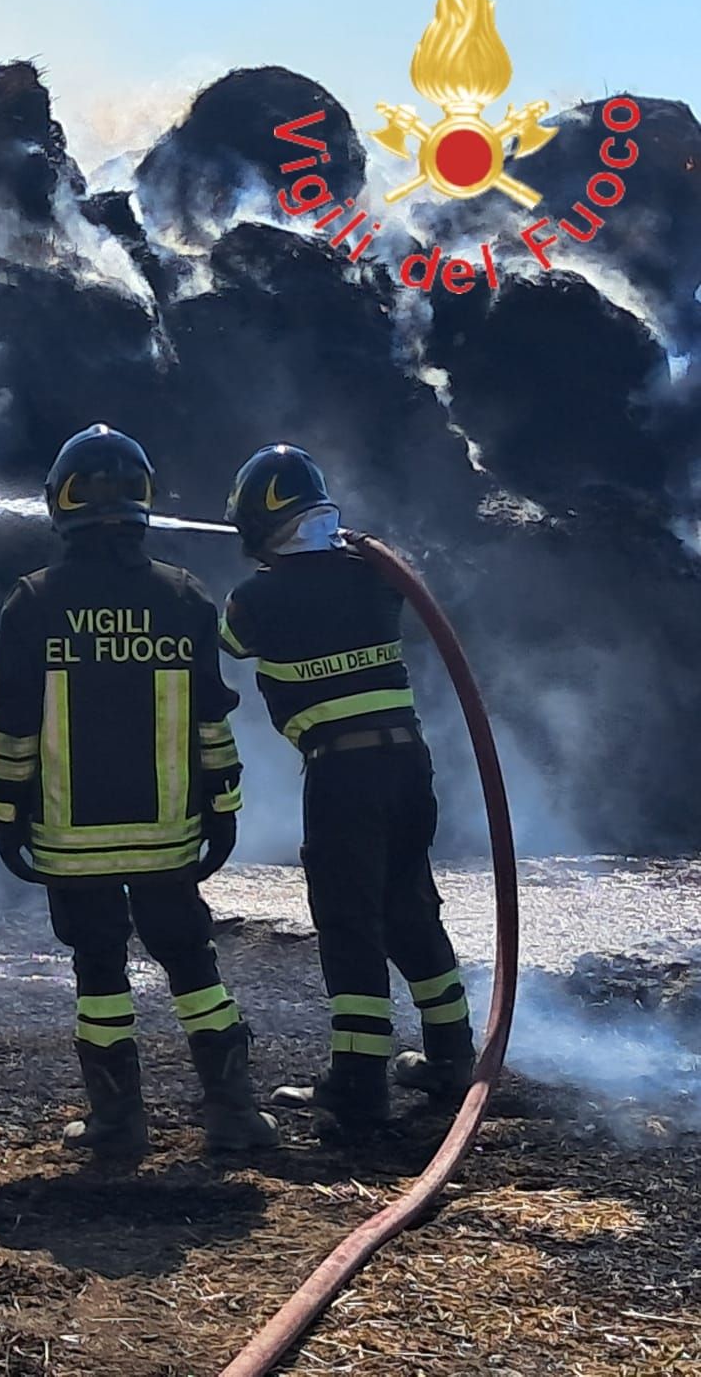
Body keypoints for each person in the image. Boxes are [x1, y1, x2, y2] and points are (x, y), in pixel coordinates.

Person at [0, 424, 278, 1159]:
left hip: (70, 838)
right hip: (168, 836)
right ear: (146, 501)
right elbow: (213, 719)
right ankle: (233, 1117)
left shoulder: (32, 604)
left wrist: (4, 817)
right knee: (191, 963)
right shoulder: (184, 599)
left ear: (60, 502)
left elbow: (13, 731)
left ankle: (119, 1123)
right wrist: (224, 809)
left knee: (100, 970)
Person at [219, 444, 475, 1135]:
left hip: (343, 773)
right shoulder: (375, 577)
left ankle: (358, 1086)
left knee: (349, 922)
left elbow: (229, 639)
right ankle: (453, 1058)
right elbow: (383, 577)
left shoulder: (258, 598)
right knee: (409, 907)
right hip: (407, 767)